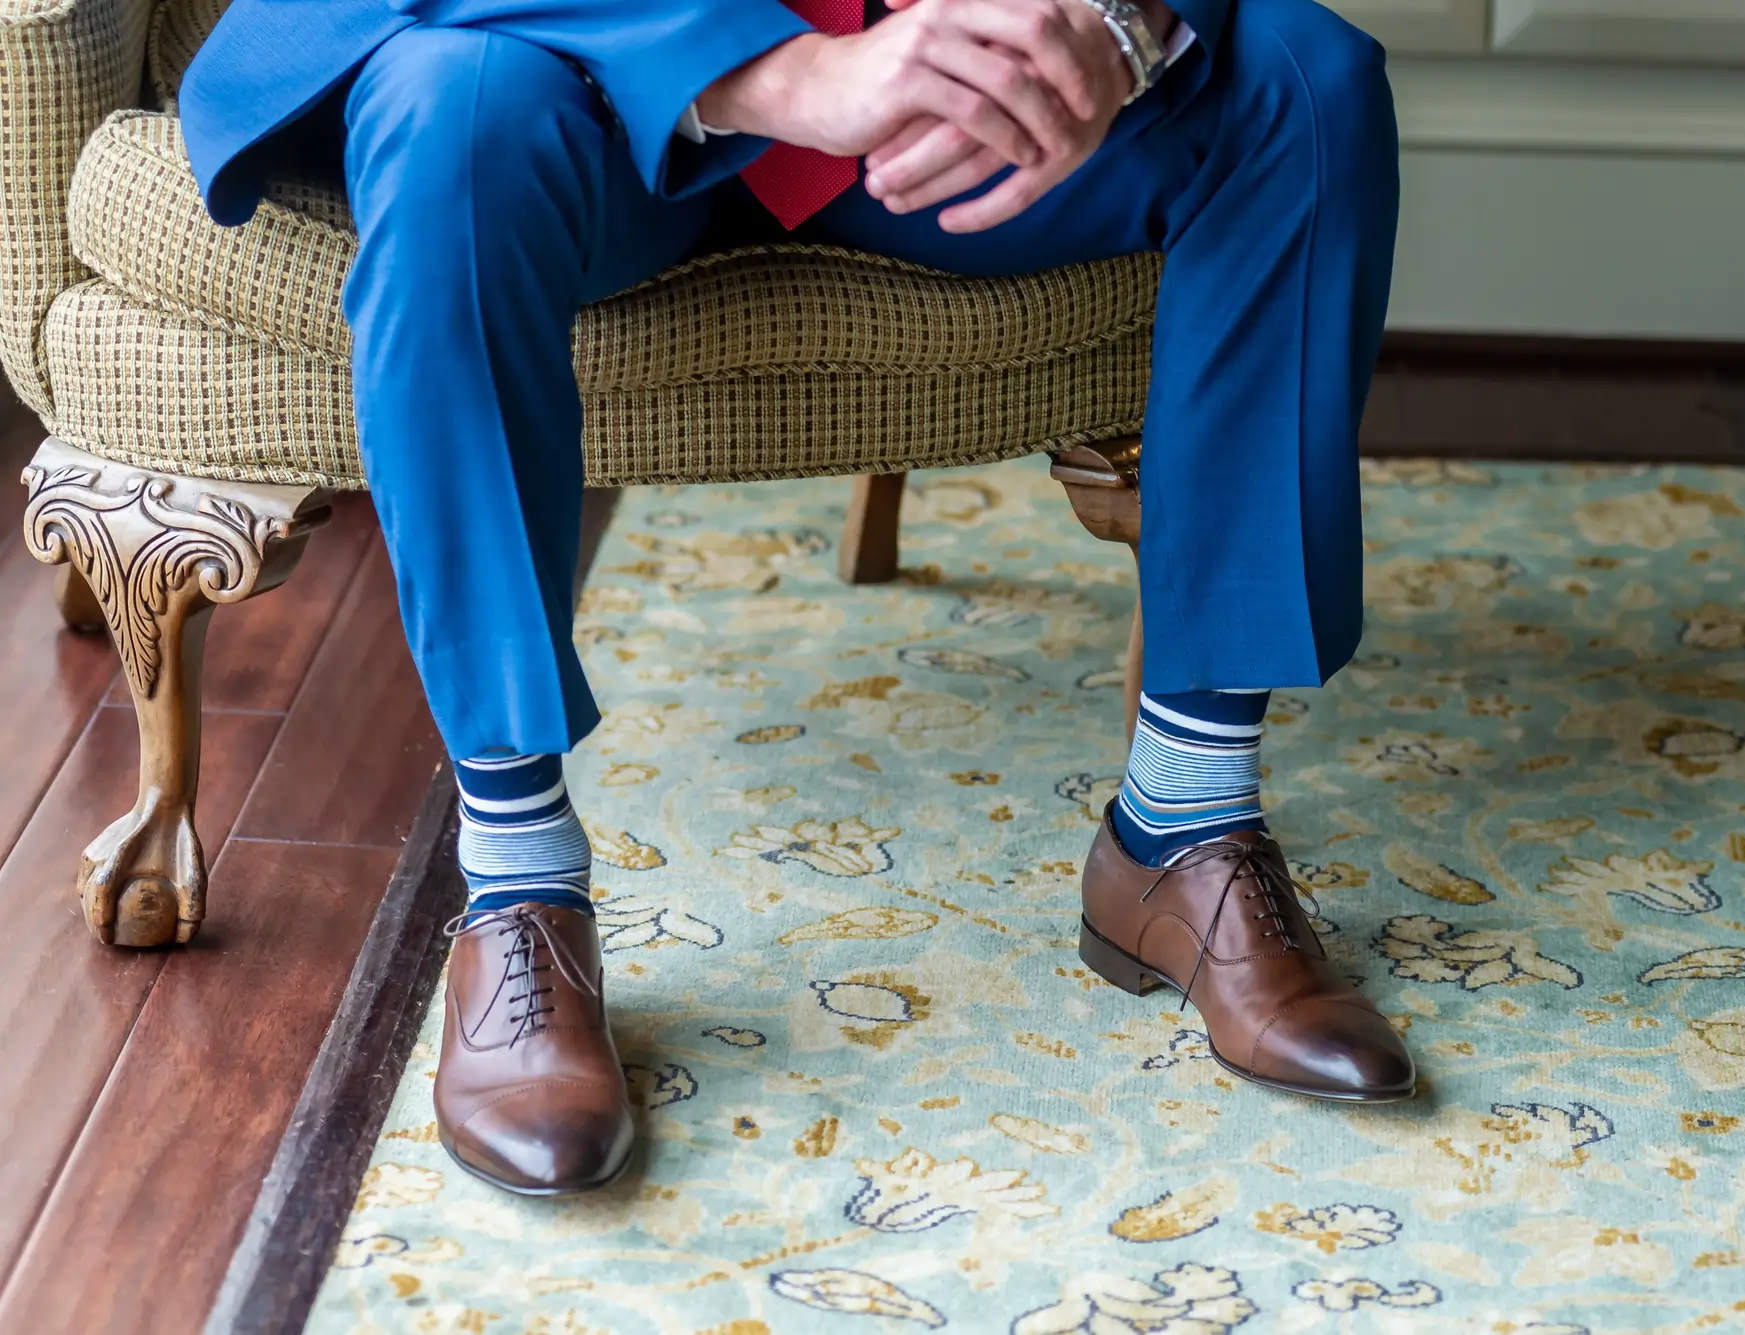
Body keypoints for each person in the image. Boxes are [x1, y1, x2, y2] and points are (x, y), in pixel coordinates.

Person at [179, 0, 1416, 1197]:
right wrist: (772, 73)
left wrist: (1111, 23)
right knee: (451, 113)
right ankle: (517, 888)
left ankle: (1182, 824)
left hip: (941, 109)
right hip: (569, 73)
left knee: (1302, 81)